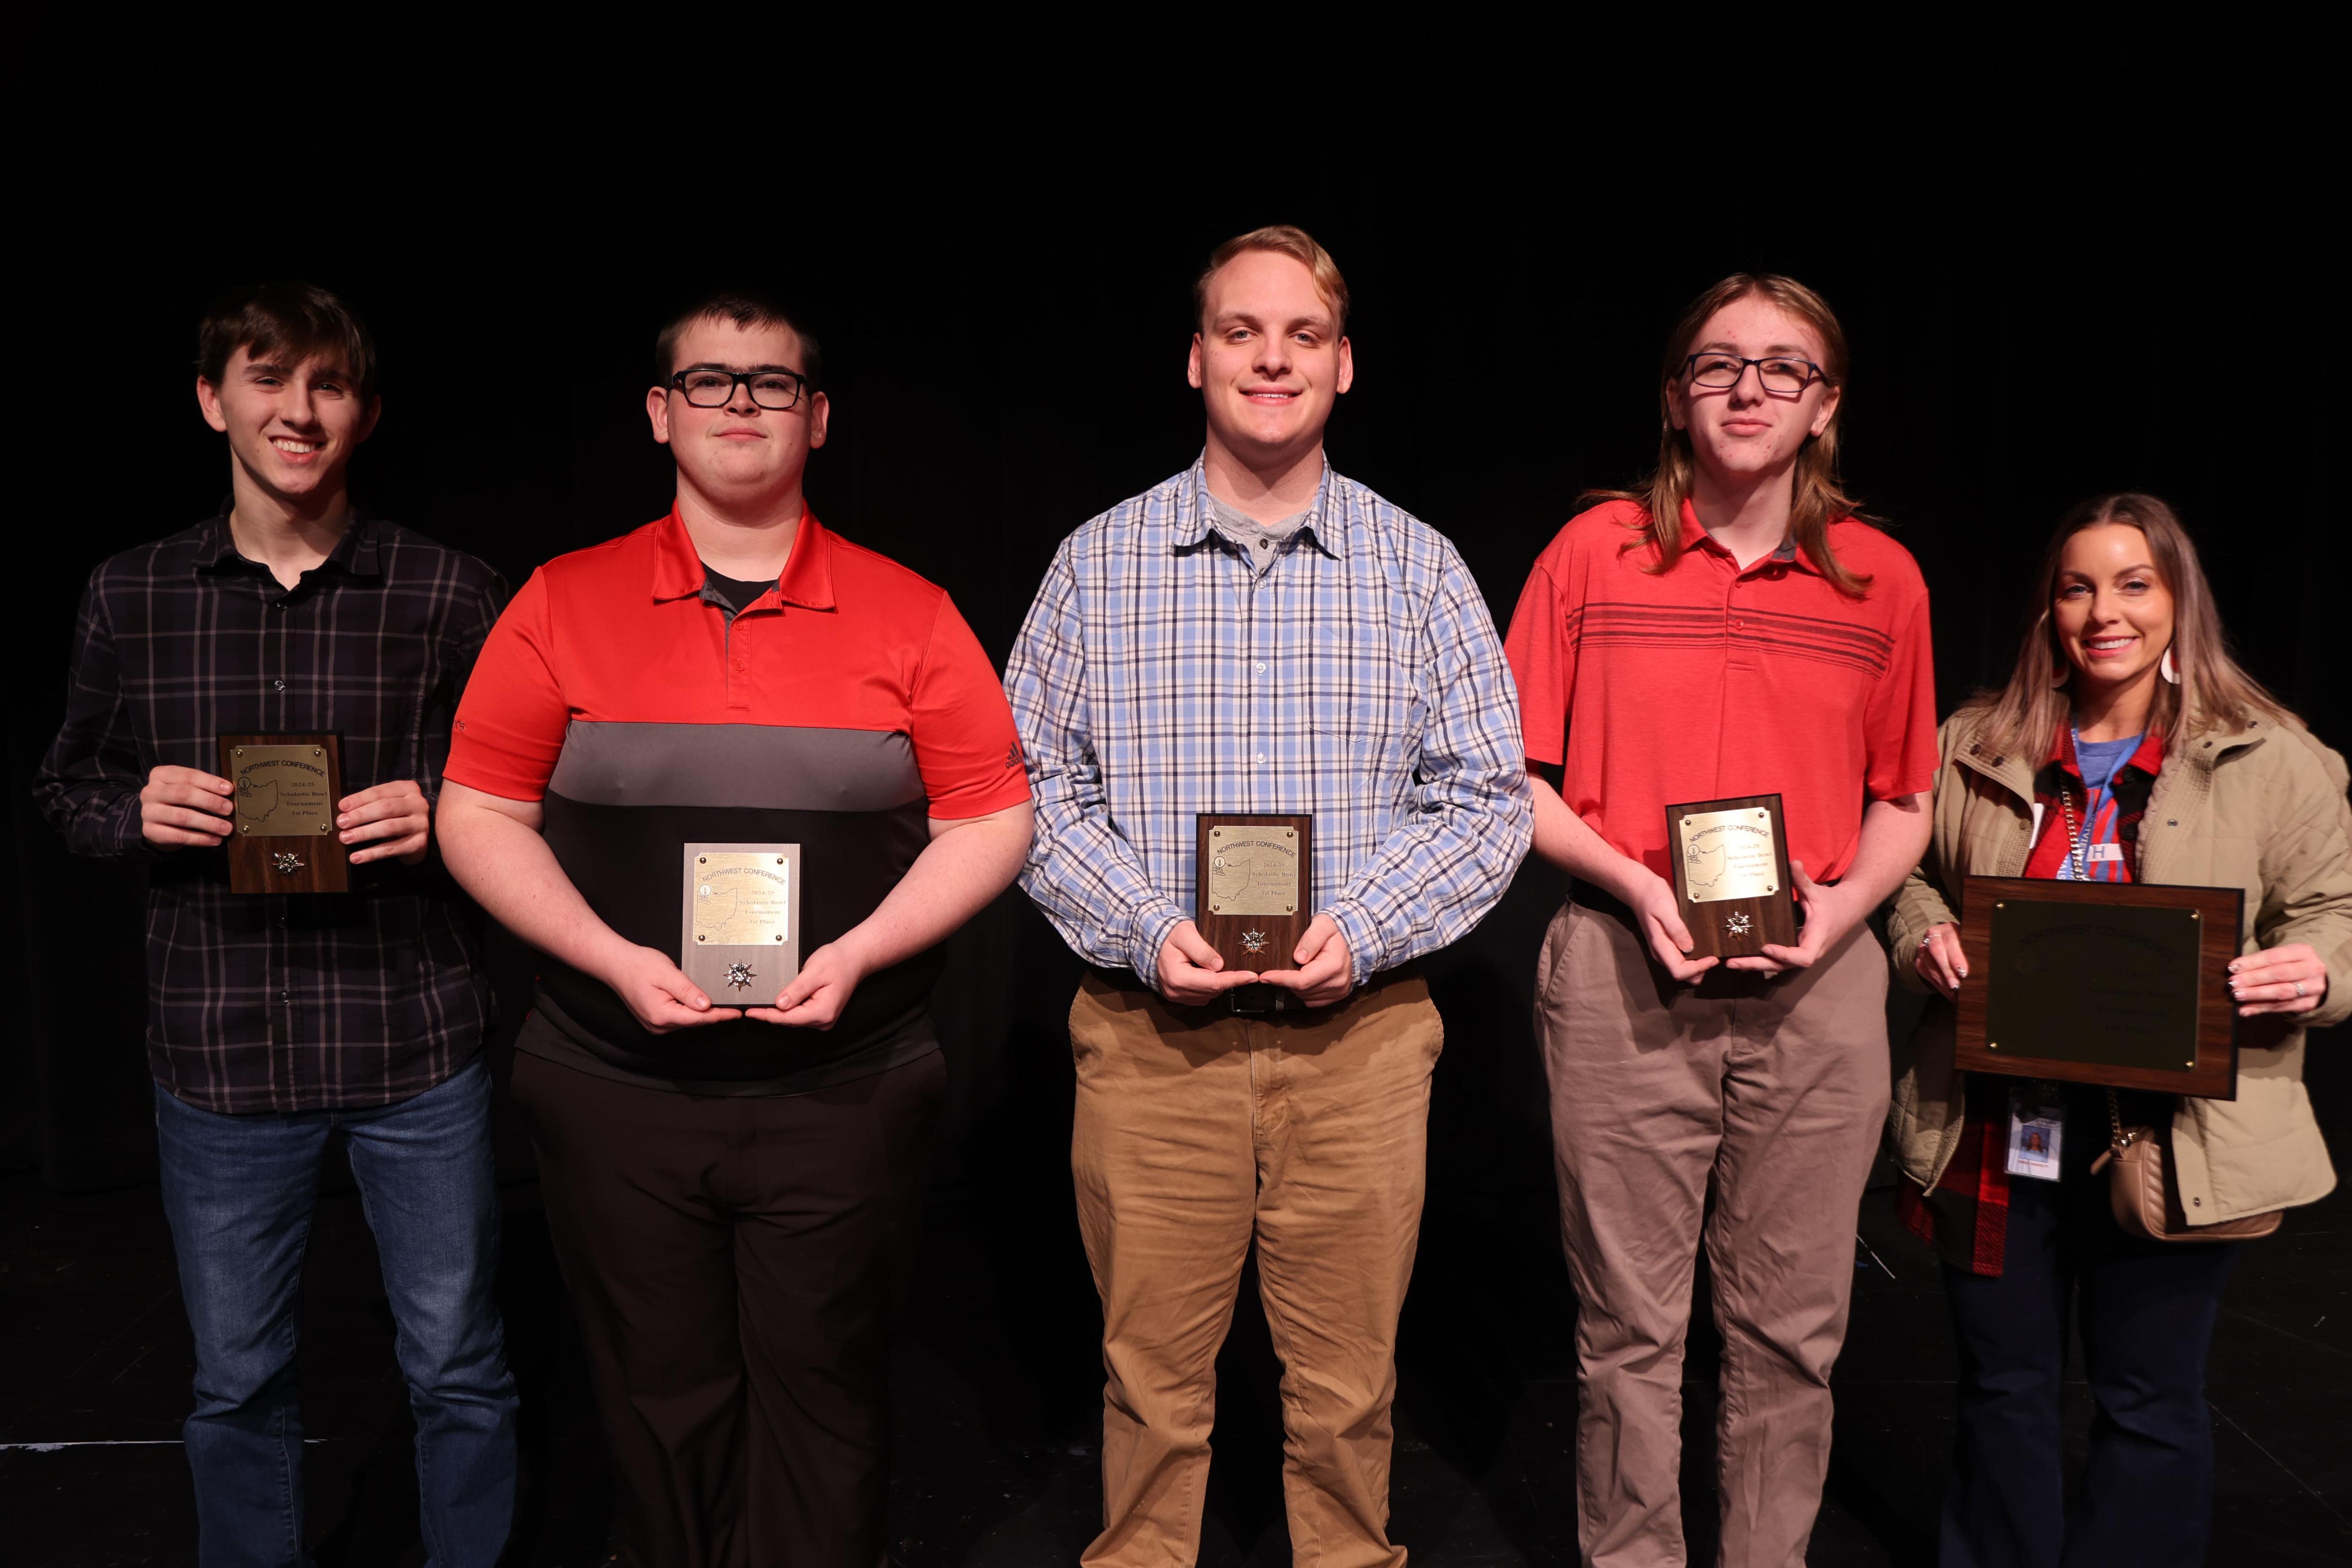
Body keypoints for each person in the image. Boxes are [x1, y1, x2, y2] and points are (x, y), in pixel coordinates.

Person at [433, 289, 1034, 1568]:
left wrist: (863, 949)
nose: (741, 403)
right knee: (658, 1394)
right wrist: (611, 959)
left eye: (771, 383)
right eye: (711, 381)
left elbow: (993, 818)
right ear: (660, 414)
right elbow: (477, 811)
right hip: (615, 1082)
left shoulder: (912, 611)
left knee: (826, 1390)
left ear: (818, 419)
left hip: (845, 1080)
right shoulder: (560, 600)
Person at [1005, 226, 1532, 1568]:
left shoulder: (1420, 570)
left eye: (1303, 334)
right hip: (1151, 1041)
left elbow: (1489, 796)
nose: (1272, 357)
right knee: (1149, 1388)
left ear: (1344, 365)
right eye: (1243, 330)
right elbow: (1032, 787)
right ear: (1197, 359)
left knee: (1350, 1394)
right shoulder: (1097, 565)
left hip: (1357, 1049)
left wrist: (1361, 928)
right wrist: (1141, 924)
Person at [33, 282, 516, 1567]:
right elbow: (64, 789)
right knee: (238, 1380)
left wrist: (449, 819)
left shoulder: (451, 589)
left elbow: (532, 798)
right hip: (221, 1052)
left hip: (415, 1042)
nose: (297, 410)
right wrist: (131, 808)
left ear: (361, 414)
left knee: (460, 1369)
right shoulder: (132, 592)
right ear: (213, 399)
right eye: (267, 378)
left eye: (329, 385)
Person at [1502, 273, 1937, 1566]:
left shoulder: (1882, 580)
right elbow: (1511, 781)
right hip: (1624, 969)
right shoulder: (1591, 552)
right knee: (1630, 1325)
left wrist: (1845, 911)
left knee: (1793, 1331)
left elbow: (1904, 799)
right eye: (1718, 364)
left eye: (1783, 367)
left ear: (1827, 403)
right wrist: (1640, 886)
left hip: (1819, 985)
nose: (1749, 388)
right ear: (1676, 396)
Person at [1890, 493, 2351, 1567]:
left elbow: (2333, 910)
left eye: (2133, 583)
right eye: (2077, 585)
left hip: (2168, 1138)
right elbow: (1909, 873)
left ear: (2176, 599)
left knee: (2150, 1399)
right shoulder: (1976, 741)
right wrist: (1921, 937)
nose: (2105, 610)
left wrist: (2317, 967)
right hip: (1997, 1132)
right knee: (2002, 1388)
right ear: (2049, 608)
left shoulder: (2269, 754)